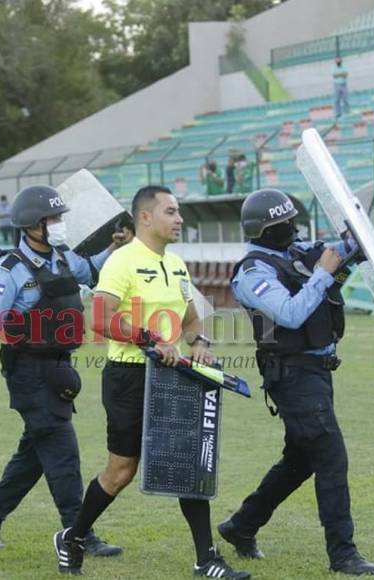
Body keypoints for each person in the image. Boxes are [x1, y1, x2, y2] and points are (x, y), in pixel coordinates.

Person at [53, 185, 249, 579]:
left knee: (187, 462)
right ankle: (73, 537)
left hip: (171, 377)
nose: (179, 219)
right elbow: (99, 319)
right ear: (145, 217)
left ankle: (206, 559)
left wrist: (199, 343)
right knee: (121, 470)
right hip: (127, 378)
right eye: (171, 212)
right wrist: (149, 338)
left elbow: (191, 321)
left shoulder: (175, 264)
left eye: (178, 212)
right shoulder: (122, 262)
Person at [217, 188, 374, 576]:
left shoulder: (296, 251)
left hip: (316, 372)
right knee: (331, 457)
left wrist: (354, 241)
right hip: (292, 375)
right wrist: (323, 273)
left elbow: (340, 254)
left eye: (292, 220)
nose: (292, 228)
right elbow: (290, 314)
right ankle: (343, 553)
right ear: (263, 229)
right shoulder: (253, 272)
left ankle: (241, 526)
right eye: (284, 223)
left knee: (301, 459)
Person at [0, 185, 128, 556]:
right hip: (28, 372)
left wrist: (114, 248)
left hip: (58, 369)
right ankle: (79, 533)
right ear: (31, 224)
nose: (58, 224)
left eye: (59, 217)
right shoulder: (10, 270)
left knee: (36, 453)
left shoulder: (64, 256)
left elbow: (91, 271)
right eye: (52, 218)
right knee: (62, 449)